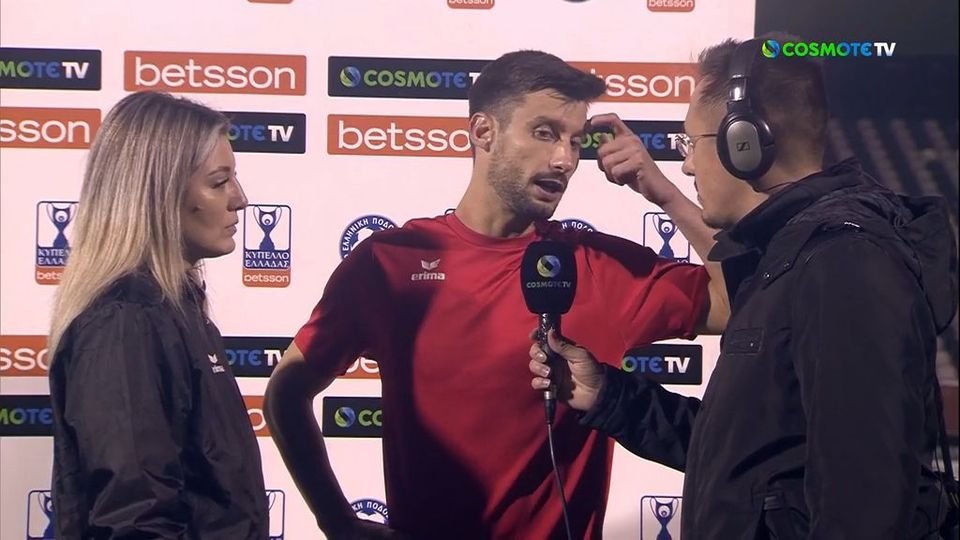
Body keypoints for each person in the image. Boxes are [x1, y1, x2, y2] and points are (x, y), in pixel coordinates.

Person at [264, 50, 729, 539]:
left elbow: (735, 301)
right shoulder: (387, 263)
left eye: (576, 141)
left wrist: (665, 194)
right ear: (484, 132)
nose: (565, 160)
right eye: (545, 133)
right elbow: (286, 392)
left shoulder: (598, 267)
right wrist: (337, 521)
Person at [529, 35, 959, 538]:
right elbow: (743, 460)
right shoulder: (795, 259)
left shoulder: (844, 265)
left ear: (745, 143)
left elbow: (864, 505)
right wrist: (608, 395)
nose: (687, 164)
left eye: (691, 142)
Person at [47, 91, 270, 539]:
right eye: (219, 182)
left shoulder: (175, 312)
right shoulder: (125, 322)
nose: (240, 200)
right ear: (158, 193)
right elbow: (135, 518)